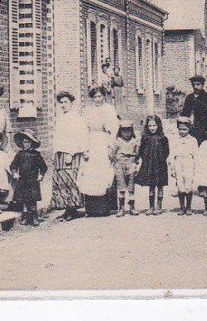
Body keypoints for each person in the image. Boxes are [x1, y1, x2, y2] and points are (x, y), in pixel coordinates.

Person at [77, 85, 118, 216]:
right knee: (90, 174)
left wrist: (111, 146)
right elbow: (83, 130)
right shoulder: (87, 111)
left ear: (104, 96)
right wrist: (85, 148)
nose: (97, 99)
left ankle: (105, 207)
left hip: (103, 142)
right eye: (95, 97)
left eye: (100, 96)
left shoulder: (109, 109)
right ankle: (91, 208)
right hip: (91, 142)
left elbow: (113, 130)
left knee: (104, 173)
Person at [49, 91, 89, 221]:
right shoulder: (61, 118)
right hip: (60, 153)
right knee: (61, 181)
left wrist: (71, 153)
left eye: (66, 102)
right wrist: (54, 152)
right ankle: (66, 209)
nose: (63, 105)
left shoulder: (76, 118)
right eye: (61, 102)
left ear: (71, 103)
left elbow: (80, 137)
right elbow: (58, 137)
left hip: (71, 154)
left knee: (70, 181)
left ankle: (72, 209)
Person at [10, 130, 48, 226]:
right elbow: (13, 165)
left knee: (32, 198)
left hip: (33, 180)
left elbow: (43, 166)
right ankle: (26, 216)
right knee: (24, 199)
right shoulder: (20, 154)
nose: (26, 144)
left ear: (32, 143)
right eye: (24, 142)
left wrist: (41, 175)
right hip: (22, 180)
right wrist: (14, 173)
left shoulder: (36, 155)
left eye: (28, 142)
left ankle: (34, 216)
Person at [135, 115, 170, 215]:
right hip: (149, 165)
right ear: (147, 126)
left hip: (160, 165)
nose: (152, 128)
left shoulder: (163, 138)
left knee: (160, 186)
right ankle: (151, 207)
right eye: (150, 125)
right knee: (151, 186)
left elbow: (166, 152)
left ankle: (159, 207)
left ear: (158, 125)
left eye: (154, 125)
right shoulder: (145, 138)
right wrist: (146, 159)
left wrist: (160, 159)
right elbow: (141, 151)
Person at [171, 116, 198, 215]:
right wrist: (172, 168)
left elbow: (195, 155)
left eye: (184, 129)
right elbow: (172, 154)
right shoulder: (175, 140)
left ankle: (189, 207)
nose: (182, 131)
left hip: (188, 162)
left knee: (188, 184)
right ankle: (182, 207)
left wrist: (195, 168)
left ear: (189, 129)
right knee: (180, 184)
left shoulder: (193, 140)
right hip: (178, 162)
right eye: (180, 129)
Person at [180, 75, 207, 146]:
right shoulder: (189, 97)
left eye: (198, 84)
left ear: (203, 85)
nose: (195, 87)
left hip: (204, 129)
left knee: (203, 149)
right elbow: (184, 112)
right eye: (193, 84)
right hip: (190, 129)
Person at [111, 120, 139, 216]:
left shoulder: (134, 141)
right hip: (120, 165)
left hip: (131, 164)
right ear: (120, 131)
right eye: (124, 131)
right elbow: (112, 154)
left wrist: (135, 162)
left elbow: (137, 154)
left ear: (132, 131)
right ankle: (121, 208)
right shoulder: (117, 141)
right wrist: (116, 162)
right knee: (121, 187)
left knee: (131, 187)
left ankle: (132, 207)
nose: (126, 133)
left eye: (128, 131)